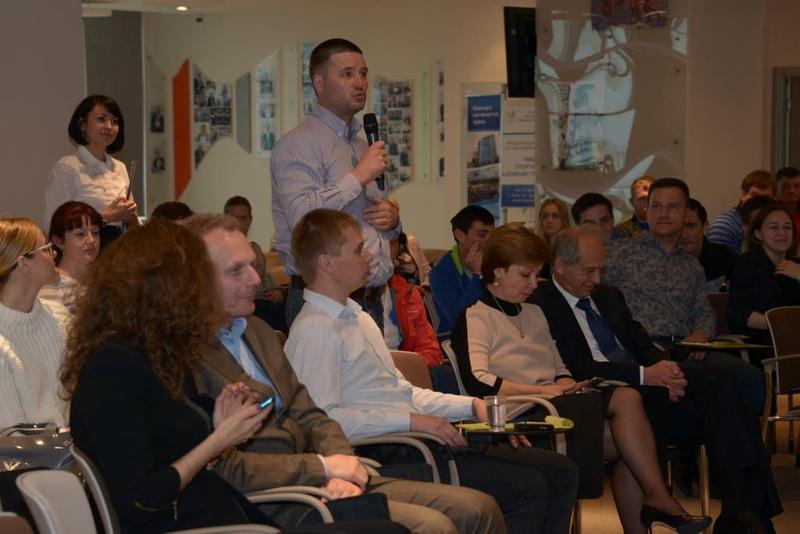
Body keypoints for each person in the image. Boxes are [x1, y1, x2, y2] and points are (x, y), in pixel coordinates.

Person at [60, 219, 408, 534]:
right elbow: (142, 500)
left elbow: (182, 444)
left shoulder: (157, 356)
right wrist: (218, 440)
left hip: (227, 515)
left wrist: (220, 425)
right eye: (196, 280)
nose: (202, 293)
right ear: (161, 289)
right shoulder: (113, 369)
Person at [182, 213, 503, 534]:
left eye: (252, 265)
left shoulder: (258, 331)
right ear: (195, 278)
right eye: (236, 270)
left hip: (325, 474)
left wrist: (338, 462)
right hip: (275, 500)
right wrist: (323, 466)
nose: (255, 279)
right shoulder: (188, 356)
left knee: (478, 508)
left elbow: (313, 415)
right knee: (436, 525)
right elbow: (226, 463)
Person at [286, 208, 579, 534]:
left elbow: (405, 394)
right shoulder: (316, 329)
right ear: (327, 263)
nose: (369, 255)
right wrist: (411, 421)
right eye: (357, 249)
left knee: (560, 471)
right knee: (527, 487)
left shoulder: (357, 317)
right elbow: (322, 423)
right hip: (390, 451)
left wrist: (472, 406)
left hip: (412, 439)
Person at [450, 224, 711, 534]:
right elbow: (479, 381)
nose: (534, 284)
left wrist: (565, 384)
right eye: (526, 275)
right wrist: (545, 391)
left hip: (555, 408)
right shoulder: (476, 316)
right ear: (497, 272)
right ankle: (660, 500)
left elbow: (559, 366)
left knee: (632, 443)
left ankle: (655, 504)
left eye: (537, 275)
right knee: (629, 409)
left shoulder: (534, 313)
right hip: (520, 418)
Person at [532, 225, 782, 533]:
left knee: (726, 386)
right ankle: (747, 515)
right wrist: (646, 376)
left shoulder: (608, 296)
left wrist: (666, 371)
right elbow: (576, 367)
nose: (597, 279)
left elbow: (641, 346)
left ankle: (741, 510)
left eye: (601, 270)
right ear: (559, 265)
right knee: (723, 414)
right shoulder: (541, 304)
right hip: (605, 395)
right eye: (589, 271)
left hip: (646, 384)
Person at [603, 178, 766, 414]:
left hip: (685, 348)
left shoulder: (692, 266)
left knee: (751, 379)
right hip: (641, 350)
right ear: (647, 210)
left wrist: (701, 334)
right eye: (656, 206)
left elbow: (704, 312)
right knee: (718, 381)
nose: (663, 213)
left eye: (673, 206)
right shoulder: (618, 253)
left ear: (685, 212)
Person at [271, 38, 399, 329]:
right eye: (347, 74)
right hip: (323, 300)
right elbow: (302, 219)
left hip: (371, 298)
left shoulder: (361, 144)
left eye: (363, 73)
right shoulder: (299, 143)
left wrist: (392, 220)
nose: (359, 83)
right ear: (319, 83)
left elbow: (371, 220)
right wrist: (358, 176)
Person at [44, 95, 138, 246]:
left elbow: (129, 220)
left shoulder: (120, 167)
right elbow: (54, 227)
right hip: (85, 250)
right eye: (101, 119)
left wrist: (130, 215)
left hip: (119, 249)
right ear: (82, 125)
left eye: (115, 121)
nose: (109, 126)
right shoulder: (67, 167)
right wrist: (107, 217)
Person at [0, 218, 67, 428]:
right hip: (28, 448)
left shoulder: (60, 317)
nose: (54, 253)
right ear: (24, 264)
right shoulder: (3, 343)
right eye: (46, 248)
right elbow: (11, 434)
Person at [728, 205, 800, 345]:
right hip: (761, 342)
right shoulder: (745, 264)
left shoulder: (796, 265)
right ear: (758, 234)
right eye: (773, 227)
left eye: (787, 227)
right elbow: (738, 313)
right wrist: (781, 324)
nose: (782, 233)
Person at [224, 195, 287, 333]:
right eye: (234, 218)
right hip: (246, 307)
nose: (239, 223)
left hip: (267, 304)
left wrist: (279, 291)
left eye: (243, 218)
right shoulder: (222, 252)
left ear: (250, 220)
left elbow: (266, 277)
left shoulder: (255, 248)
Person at [429, 205, 495, 335]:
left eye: (493, 235)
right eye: (482, 235)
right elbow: (459, 320)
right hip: (458, 340)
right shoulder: (441, 273)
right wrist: (478, 275)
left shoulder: (496, 264)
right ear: (460, 235)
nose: (489, 241)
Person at [385, 234, 443, 367]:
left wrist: (412, 367)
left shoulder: (406, 291)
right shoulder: (350, 293)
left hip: (407, 370)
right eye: (374, 242)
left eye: (391, 243)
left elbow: (429, 348)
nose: (383, 250)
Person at [38, 201, 102, 311]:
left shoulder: (104, 281)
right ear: (58, 241)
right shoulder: (53, 285)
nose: (91, 240)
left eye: (95, 232)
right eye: (80, 234)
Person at [706, 170, 776, 253]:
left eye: (766, 198)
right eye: (755, 195)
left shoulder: (776, 225)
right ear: (743, 195)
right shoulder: (722, 226)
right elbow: (723, 260)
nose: (759, 201)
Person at [679, 198, 737, 293]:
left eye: (690, 226)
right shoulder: (663, 262)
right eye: (679, 227)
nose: (683, 235)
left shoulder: (727, 260)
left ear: (705, 226)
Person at [536, 198, 571, 279]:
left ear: (564, 219)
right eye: (545, 216)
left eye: (555, 216)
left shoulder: (571, 247)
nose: (549, 220)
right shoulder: (537, 248)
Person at [775, 166, 800, 241]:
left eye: (796, 186)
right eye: (785, 187)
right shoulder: (769, 213)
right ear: (776, 189)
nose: (792, 191)